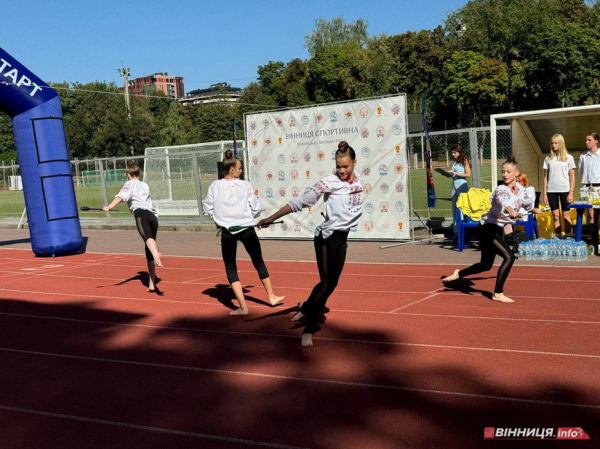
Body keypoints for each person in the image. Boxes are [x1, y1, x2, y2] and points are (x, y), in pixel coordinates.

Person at [257, 141, 364, 347]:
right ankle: (309, 328)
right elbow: (301, 201)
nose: (342, 170)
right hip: (326, 237)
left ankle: (305, 308)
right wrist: (271, 217)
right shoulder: (328, 182)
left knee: (331, 284)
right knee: (325, 284)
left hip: (342, 239)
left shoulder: (359, 179)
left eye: (346, 166)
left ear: (354, 163)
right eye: (338, 166)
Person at [442, 155, 534, 303]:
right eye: (503, 171)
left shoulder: (521, 189)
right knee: (509, 257)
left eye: (508, 171)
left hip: (497, 229)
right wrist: (510, 210)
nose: (504, 174)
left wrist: (533, 209)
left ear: (516, 173)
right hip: (487, 228)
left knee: (485, 265)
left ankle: (459, 273)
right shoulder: (501, 189)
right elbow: (504, 201)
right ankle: (498, 293)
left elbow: (527, 203)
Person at [203, 150, 284, 316]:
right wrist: (249, 217)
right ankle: (271, 296)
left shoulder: (214, 185)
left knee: (231, 267)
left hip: (227, 231)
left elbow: (208, 207)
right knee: (258, 261)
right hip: (247, 229)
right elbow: (255, 208)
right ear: (232, 170)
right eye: (239, 168)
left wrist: (219, 218)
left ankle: (243, 307)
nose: (241, 171)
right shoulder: (245, 185)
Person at [103, 161, 163, 293]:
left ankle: (156, 253)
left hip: (141, 214)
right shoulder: (144, 185)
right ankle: (152, 284)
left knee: (148, 239)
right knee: (149, 247)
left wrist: (109, 207)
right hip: (153, 216)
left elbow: (121, 197)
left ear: (128, 175)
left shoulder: (129, 183)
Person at [543, 134, 575, 234]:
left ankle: (568, 238)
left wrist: (571, 192)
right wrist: (545, 193)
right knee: (556, 216)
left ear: (561, 143)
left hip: (565, 190)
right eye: (552, 143)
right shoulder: (548, 159)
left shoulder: (569, 158)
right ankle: (558, 238)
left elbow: (572, 176)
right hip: (551, 190)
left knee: (566, 216)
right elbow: (545, 177)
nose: (553, 145)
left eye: (555, 143)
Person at [448, 145, 471, 234]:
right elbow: (454, 173)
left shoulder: (464, 160)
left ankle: (462, 230)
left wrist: (455, 173)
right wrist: (450, 174)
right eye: (452, 152)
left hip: (461, 184)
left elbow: (468, 174)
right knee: (454, 207)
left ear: (459, 152)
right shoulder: (455, 162)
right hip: (454, 184)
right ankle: (456, 230)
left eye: (454, 152)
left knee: (461, 207)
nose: (453, 154)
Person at [578, 132, 600, 225]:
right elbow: (580, 170)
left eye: (589, 140)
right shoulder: (583, 156)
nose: (587, 142)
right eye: (586, 140)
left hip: (598, 185)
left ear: (596, 141)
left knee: (597, 212)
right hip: (586, 185)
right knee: (590, 213)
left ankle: (596, 234)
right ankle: (592, 234)